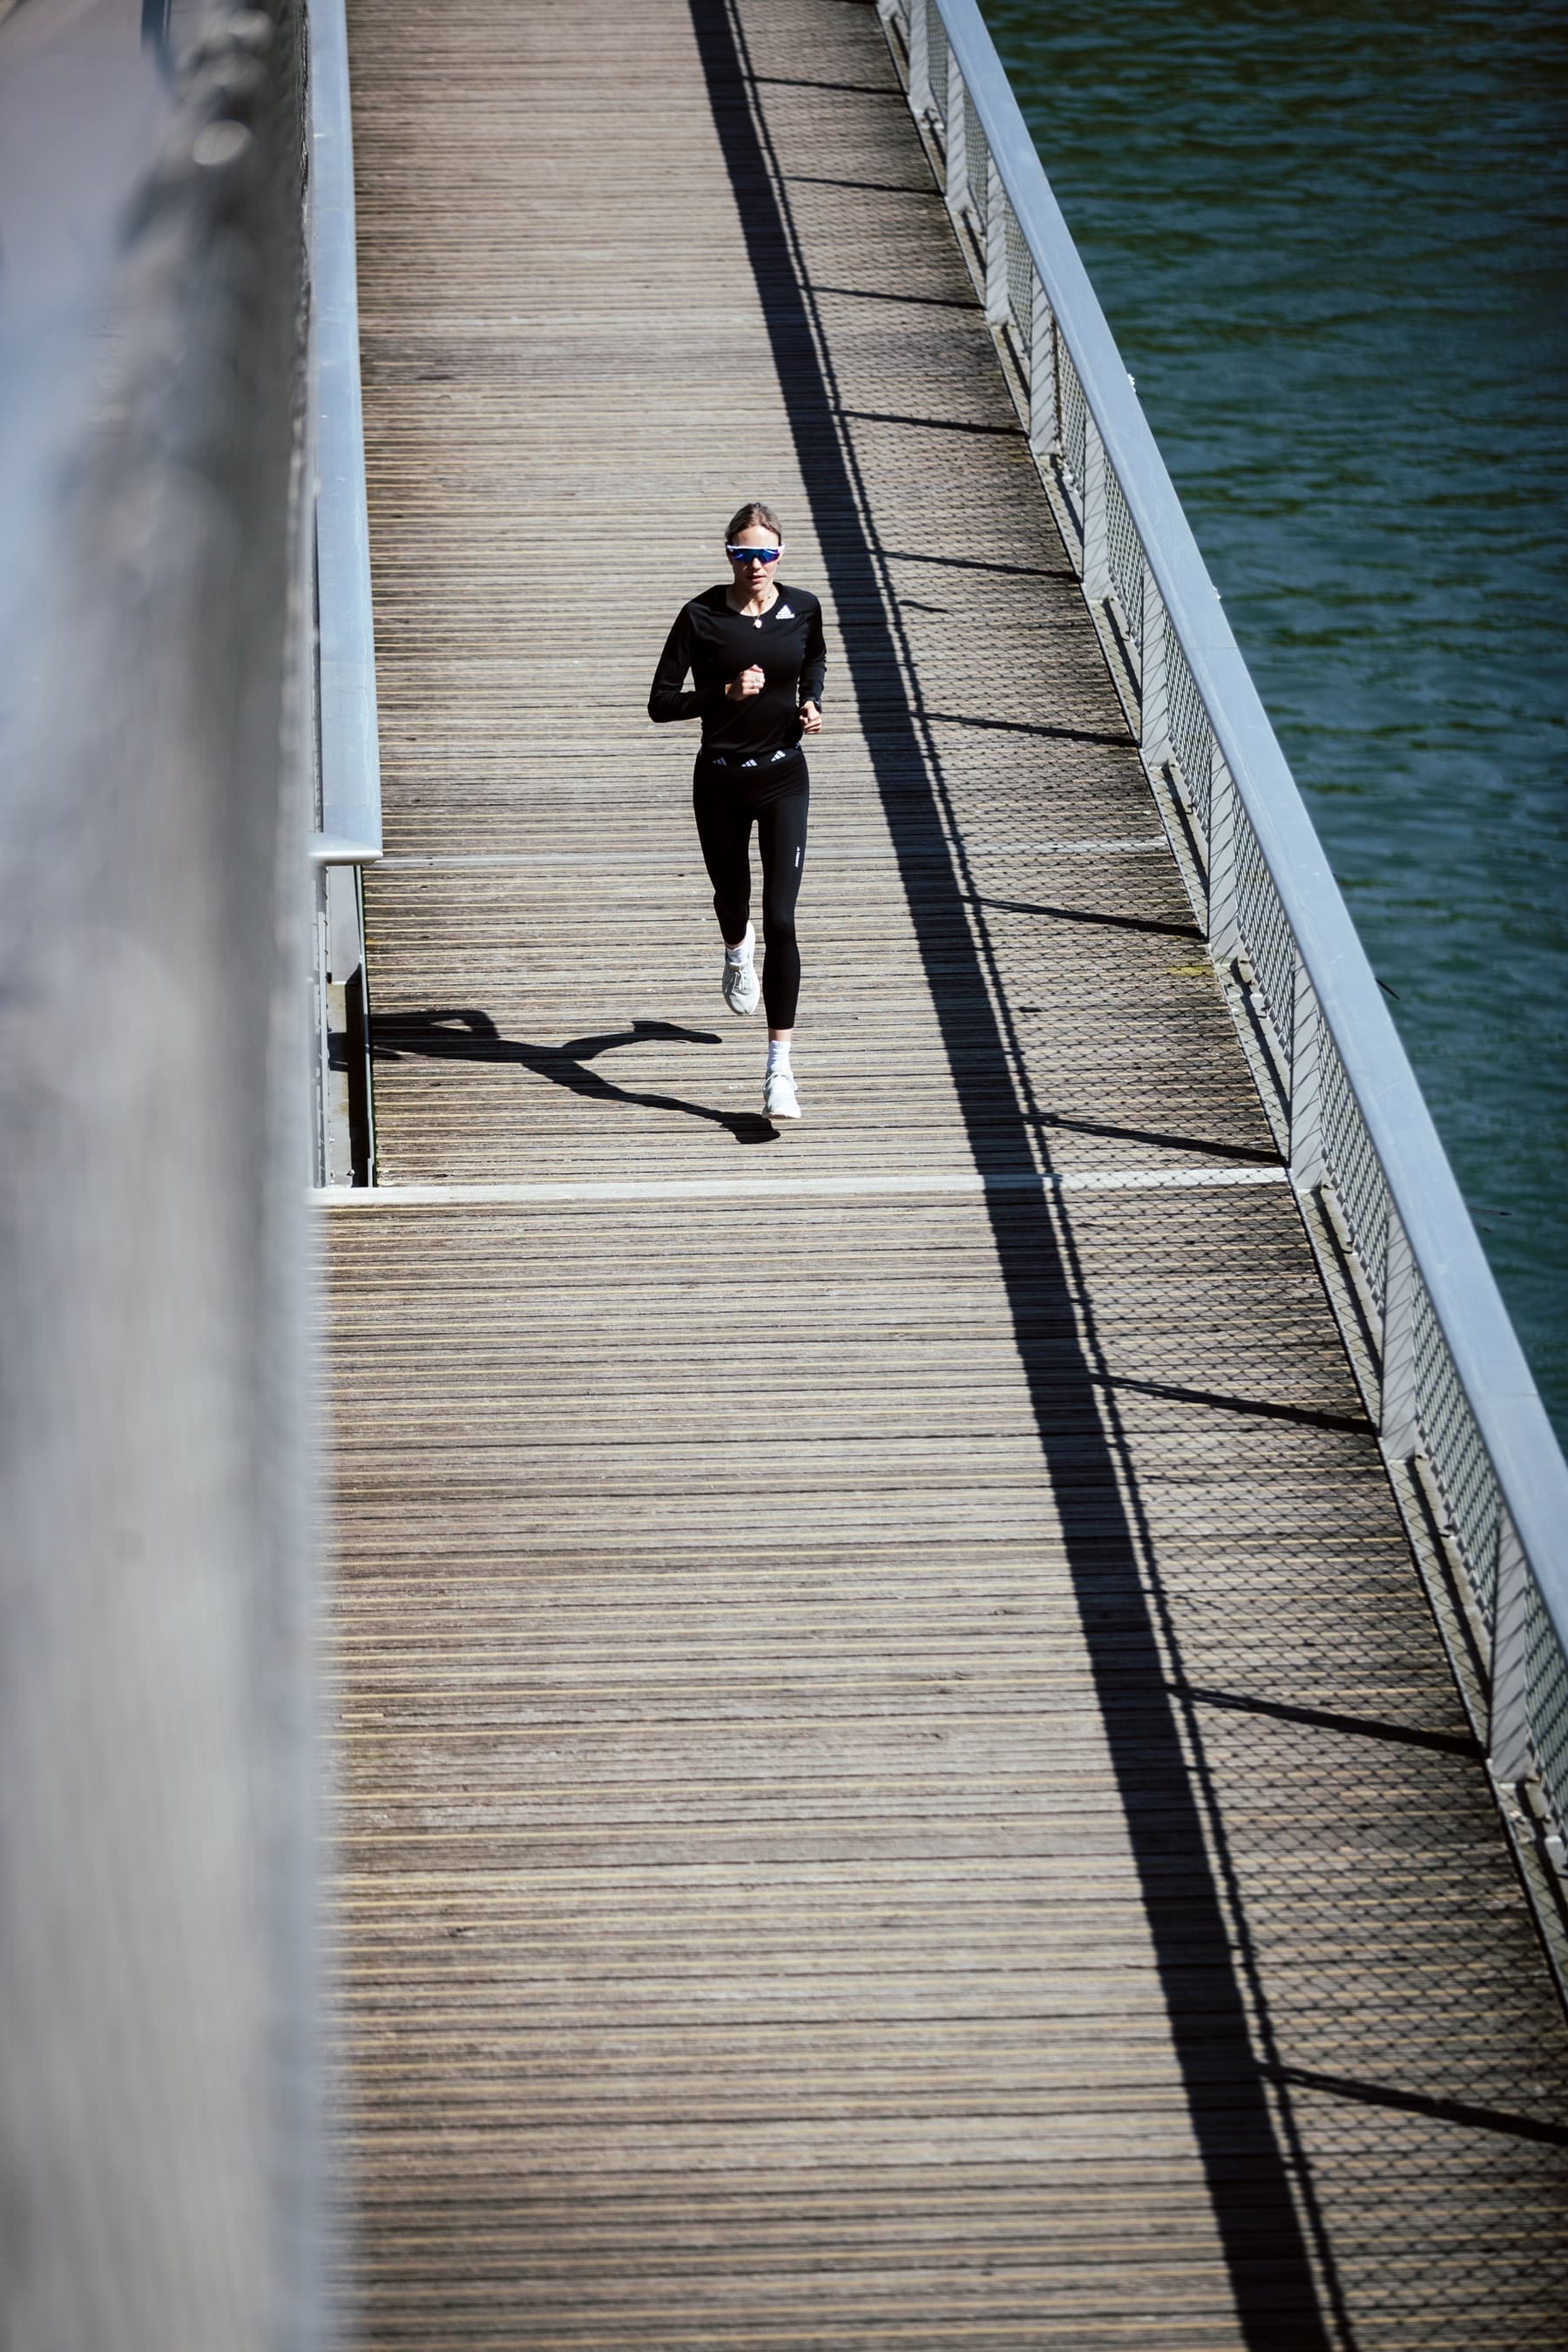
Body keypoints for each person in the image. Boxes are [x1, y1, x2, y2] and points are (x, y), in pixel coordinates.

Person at [647, 500, 825, 1124]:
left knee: (783, 919)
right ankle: (734, 952)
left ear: (780, 555)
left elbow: (814, 659)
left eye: (766, 554)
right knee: (733, 898)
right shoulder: (700, 617)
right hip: (720, 779)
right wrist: (721, 694)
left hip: (784, 777)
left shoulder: (803, 608)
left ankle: (780, 1070)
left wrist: (811, 701)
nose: (756, 564)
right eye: (745, 554)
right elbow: (660, 703)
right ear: (729, 555)